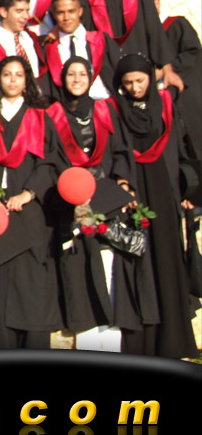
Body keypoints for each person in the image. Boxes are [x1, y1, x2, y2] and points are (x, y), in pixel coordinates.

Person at [47, 57, 158, 352]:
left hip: (105, 200)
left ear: (90, 77)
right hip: (71, 202)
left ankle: (111, 348)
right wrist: (72, 191)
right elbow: (50, 158)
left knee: (109, 272)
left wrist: (122, 182)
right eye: (71, 74)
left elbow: (121, 150)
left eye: (82, 74)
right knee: (79, 273)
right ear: (62, 78)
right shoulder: (52, 115)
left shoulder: (104, 110)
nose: (77, 79)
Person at [0, 56, 62, 349]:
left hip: (29, 209)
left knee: (32, 278)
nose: (12, 80)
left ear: (27, 81)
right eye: (7, 74)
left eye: (18, 75)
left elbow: (49, 162)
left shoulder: (40, 118)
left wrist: (28, 193)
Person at [111, 54, 199, 359]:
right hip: (134, 193)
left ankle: (173, 343)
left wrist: (189, 189)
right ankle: (143, 346)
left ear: (151, 77)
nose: (135, 88)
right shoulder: (114, 110)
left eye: (140, 80)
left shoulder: (166, 104)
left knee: (167, 260)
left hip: (164, 191)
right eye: (128, 83)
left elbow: (183, 147)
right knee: (141, 264)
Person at [41, 0, 120, 103]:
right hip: (68, 107)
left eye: (71, 11)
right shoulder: (48, 49)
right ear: (54, 14)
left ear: (80, 11)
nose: (66, 17)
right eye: (60, 13)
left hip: (104, 103)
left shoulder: (101, 40)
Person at [151, 0, 201, 159]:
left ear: (157, 4)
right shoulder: (144, 34)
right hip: (164, 103)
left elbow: (192, 52)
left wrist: (166, 70)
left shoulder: (177, 24)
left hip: (186, 96)